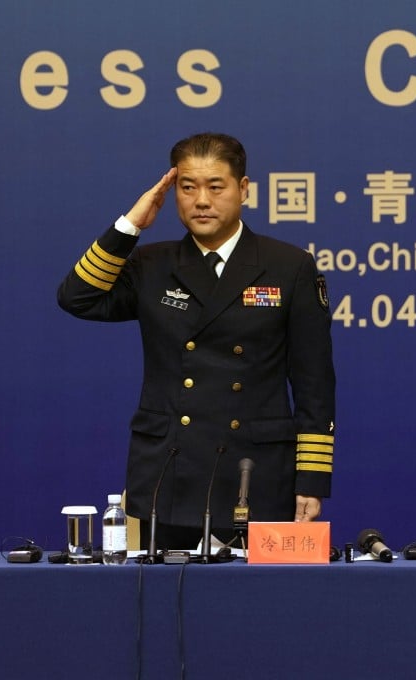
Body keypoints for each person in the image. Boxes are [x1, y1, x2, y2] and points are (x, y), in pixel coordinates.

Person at [58, 132, 336, 550]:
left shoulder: (288, 266)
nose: (201, 200)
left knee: (260, 608)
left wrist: (311, 480)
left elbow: (314, 383)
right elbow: (77, 298)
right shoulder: (153, 264)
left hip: (254, 472)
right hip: (167, 472)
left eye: (215, 186)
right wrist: (130, 225)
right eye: (187, 187)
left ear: (243, 189)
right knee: (162, 606)